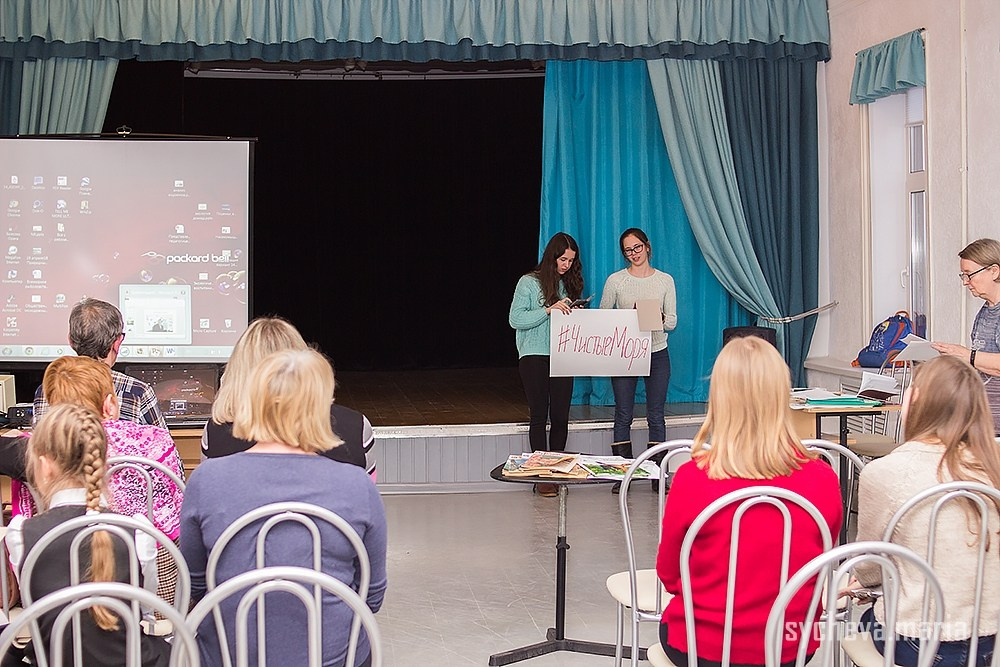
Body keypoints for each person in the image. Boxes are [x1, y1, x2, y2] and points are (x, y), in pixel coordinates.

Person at [180, 348, 388, 667]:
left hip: (228, 656)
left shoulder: (207, 479)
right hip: (333, 658)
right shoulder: (357, 484)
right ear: (321, 406)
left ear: (253, 402)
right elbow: (371, 597)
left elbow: (194, 585)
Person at [655, 336, 842, 667]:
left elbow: (670, 575)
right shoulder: (822, 478)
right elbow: (821, 566)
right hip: (790, 648)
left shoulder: (692, 478)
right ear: (782, 395)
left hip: (702, 646)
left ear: (720, 399)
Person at [855, 355, 1000, 667]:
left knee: (863, 621)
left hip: (916, 639)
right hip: (986, 638)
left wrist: (865, 585)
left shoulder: (887, 472)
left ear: (916, 399)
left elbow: (869, 567)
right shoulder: (992, 467)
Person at [4, 403, 171, 666]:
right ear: (102, 462)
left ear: (44, 464)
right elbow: (145, 607)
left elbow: (36, 608)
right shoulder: (137, 531)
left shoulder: (21, 534)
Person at [42, 355, 186, 610]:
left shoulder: (43, 452)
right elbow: (177, 506)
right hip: (153, 583)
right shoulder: (157, 442)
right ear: (109, 404)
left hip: (61, 575)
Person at [202, 316, 375, 477]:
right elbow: (366, 500)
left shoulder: (215, 432)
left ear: (238, 370)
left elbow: (207, 503)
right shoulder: (355, 426)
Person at [600, 228, 677, 493]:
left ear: (647, 246)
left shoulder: (665, 280)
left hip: (657, 352)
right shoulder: (616, 281)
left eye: (637, 247)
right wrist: (626, 321)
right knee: (623, 413)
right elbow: (602, 316)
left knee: (656, 414)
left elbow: (673, 322)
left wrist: (657, 319)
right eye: (628, 250)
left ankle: (657, 473)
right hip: (625, 353)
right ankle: (622, 473)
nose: (633, 254)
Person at [508, 232, 584, 497]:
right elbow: (515, 319)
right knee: (539, 414)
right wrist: (549, 310)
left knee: (561, 416)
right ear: (551, 256)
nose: (566, 265)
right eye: (563, 259)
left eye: (571, 261)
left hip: (563, 355)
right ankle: (541, 475)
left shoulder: (568, 286)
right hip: (534, 356)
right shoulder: (528, 283)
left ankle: (558, 469)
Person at [33, 298, 167, 429]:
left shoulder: (47, 389)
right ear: (117, 343)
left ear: (71, 341)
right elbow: (165, 447)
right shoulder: (138, 392)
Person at [931, 238, 1000, 435]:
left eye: (969, 274)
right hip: (982, 423)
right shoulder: (985, 311)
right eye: (963, 275)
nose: (965, 282)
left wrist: (967, 355)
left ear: (994, 271)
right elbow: (983, 364)